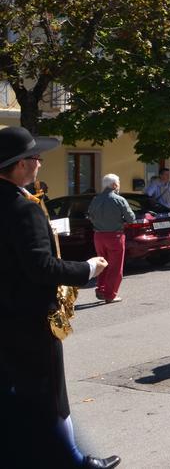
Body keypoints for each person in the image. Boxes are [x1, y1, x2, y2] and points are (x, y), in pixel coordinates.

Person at [0, 126, 119, 468]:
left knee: (14, 392)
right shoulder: (23, 207)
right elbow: (40, 267)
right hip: (29, 318)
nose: (39, 164)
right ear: (21, 165)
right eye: (36, 158)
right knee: (49, 396)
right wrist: (87, 269)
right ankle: (73, 461)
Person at [86, 174, 136, 303]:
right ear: (114, 185)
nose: (119, 185)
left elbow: (90, 216)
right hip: (115, 236)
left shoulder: (96, 199)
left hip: (98, 236)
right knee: (115, 267)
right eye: (118, 183)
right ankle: (110, 295)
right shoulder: (119, 199)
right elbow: (131, 218)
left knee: (102, 263)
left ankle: (101, 289)